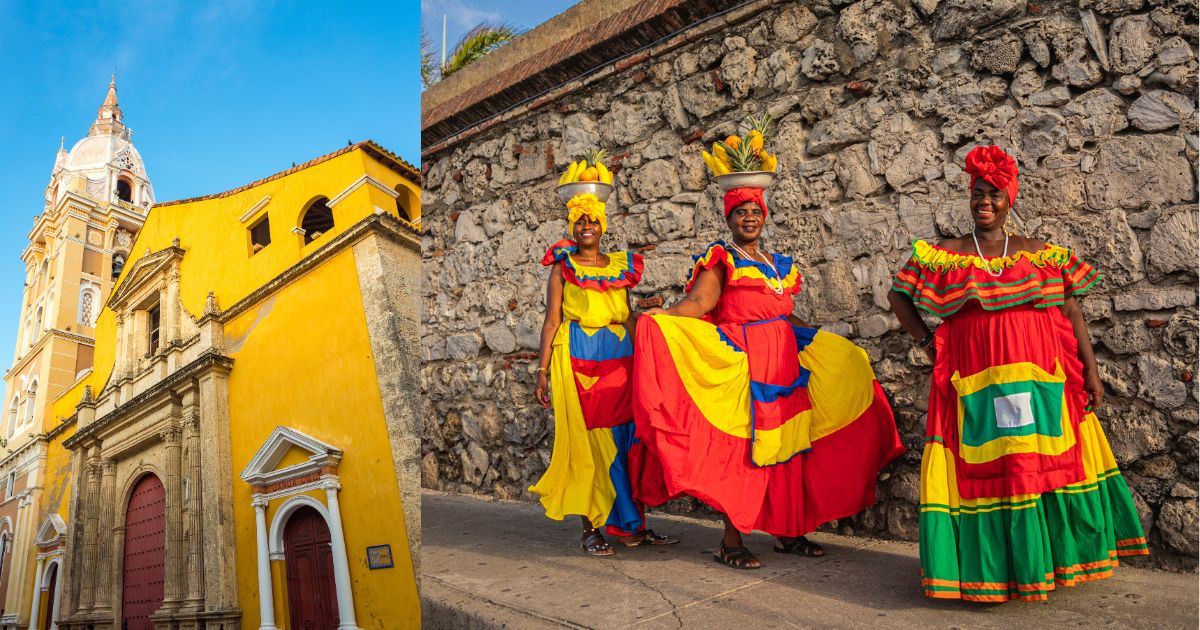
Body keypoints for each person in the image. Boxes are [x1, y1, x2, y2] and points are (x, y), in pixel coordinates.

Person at [887, 145, 1149, 602]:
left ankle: (1045, 564)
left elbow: (1071, 310)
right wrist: (929, 343)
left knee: (1036, 464)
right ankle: (996, 571)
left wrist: (1090, 371)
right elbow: (898, 296)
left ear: (1010, 200)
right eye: (977, 193)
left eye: (994, 194)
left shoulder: (1038, 253)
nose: (984, 202)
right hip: (975, 379)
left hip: (1039, 376)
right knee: (989, 468)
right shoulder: (946, 254)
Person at [635, 185, 904, 570]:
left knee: (789, 444)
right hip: (746, 361)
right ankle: (731, 541)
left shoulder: (777, 265)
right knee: (745, 449)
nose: (749, 217)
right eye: (741, 211)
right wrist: (666, 316)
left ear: (764, 216)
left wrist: (820, 341)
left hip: (782, 362)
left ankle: (787, 531)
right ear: (729, 218)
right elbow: (700, 302)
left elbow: (781, 315)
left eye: (755, 211)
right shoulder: (722, 258)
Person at [530, 191, 678, 556]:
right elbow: (551, 320)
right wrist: (542, 370)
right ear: (572, 226)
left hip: (619, 357)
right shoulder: (563, 269)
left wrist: (649, 356)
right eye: (580, 221)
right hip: (578, 356)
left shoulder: (619, 267)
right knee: (588, 444)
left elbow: (627, 316)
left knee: (626, 440)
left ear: (603, 226)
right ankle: (590, 529)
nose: (587, 226)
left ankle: (631, 526)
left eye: (593, 220)